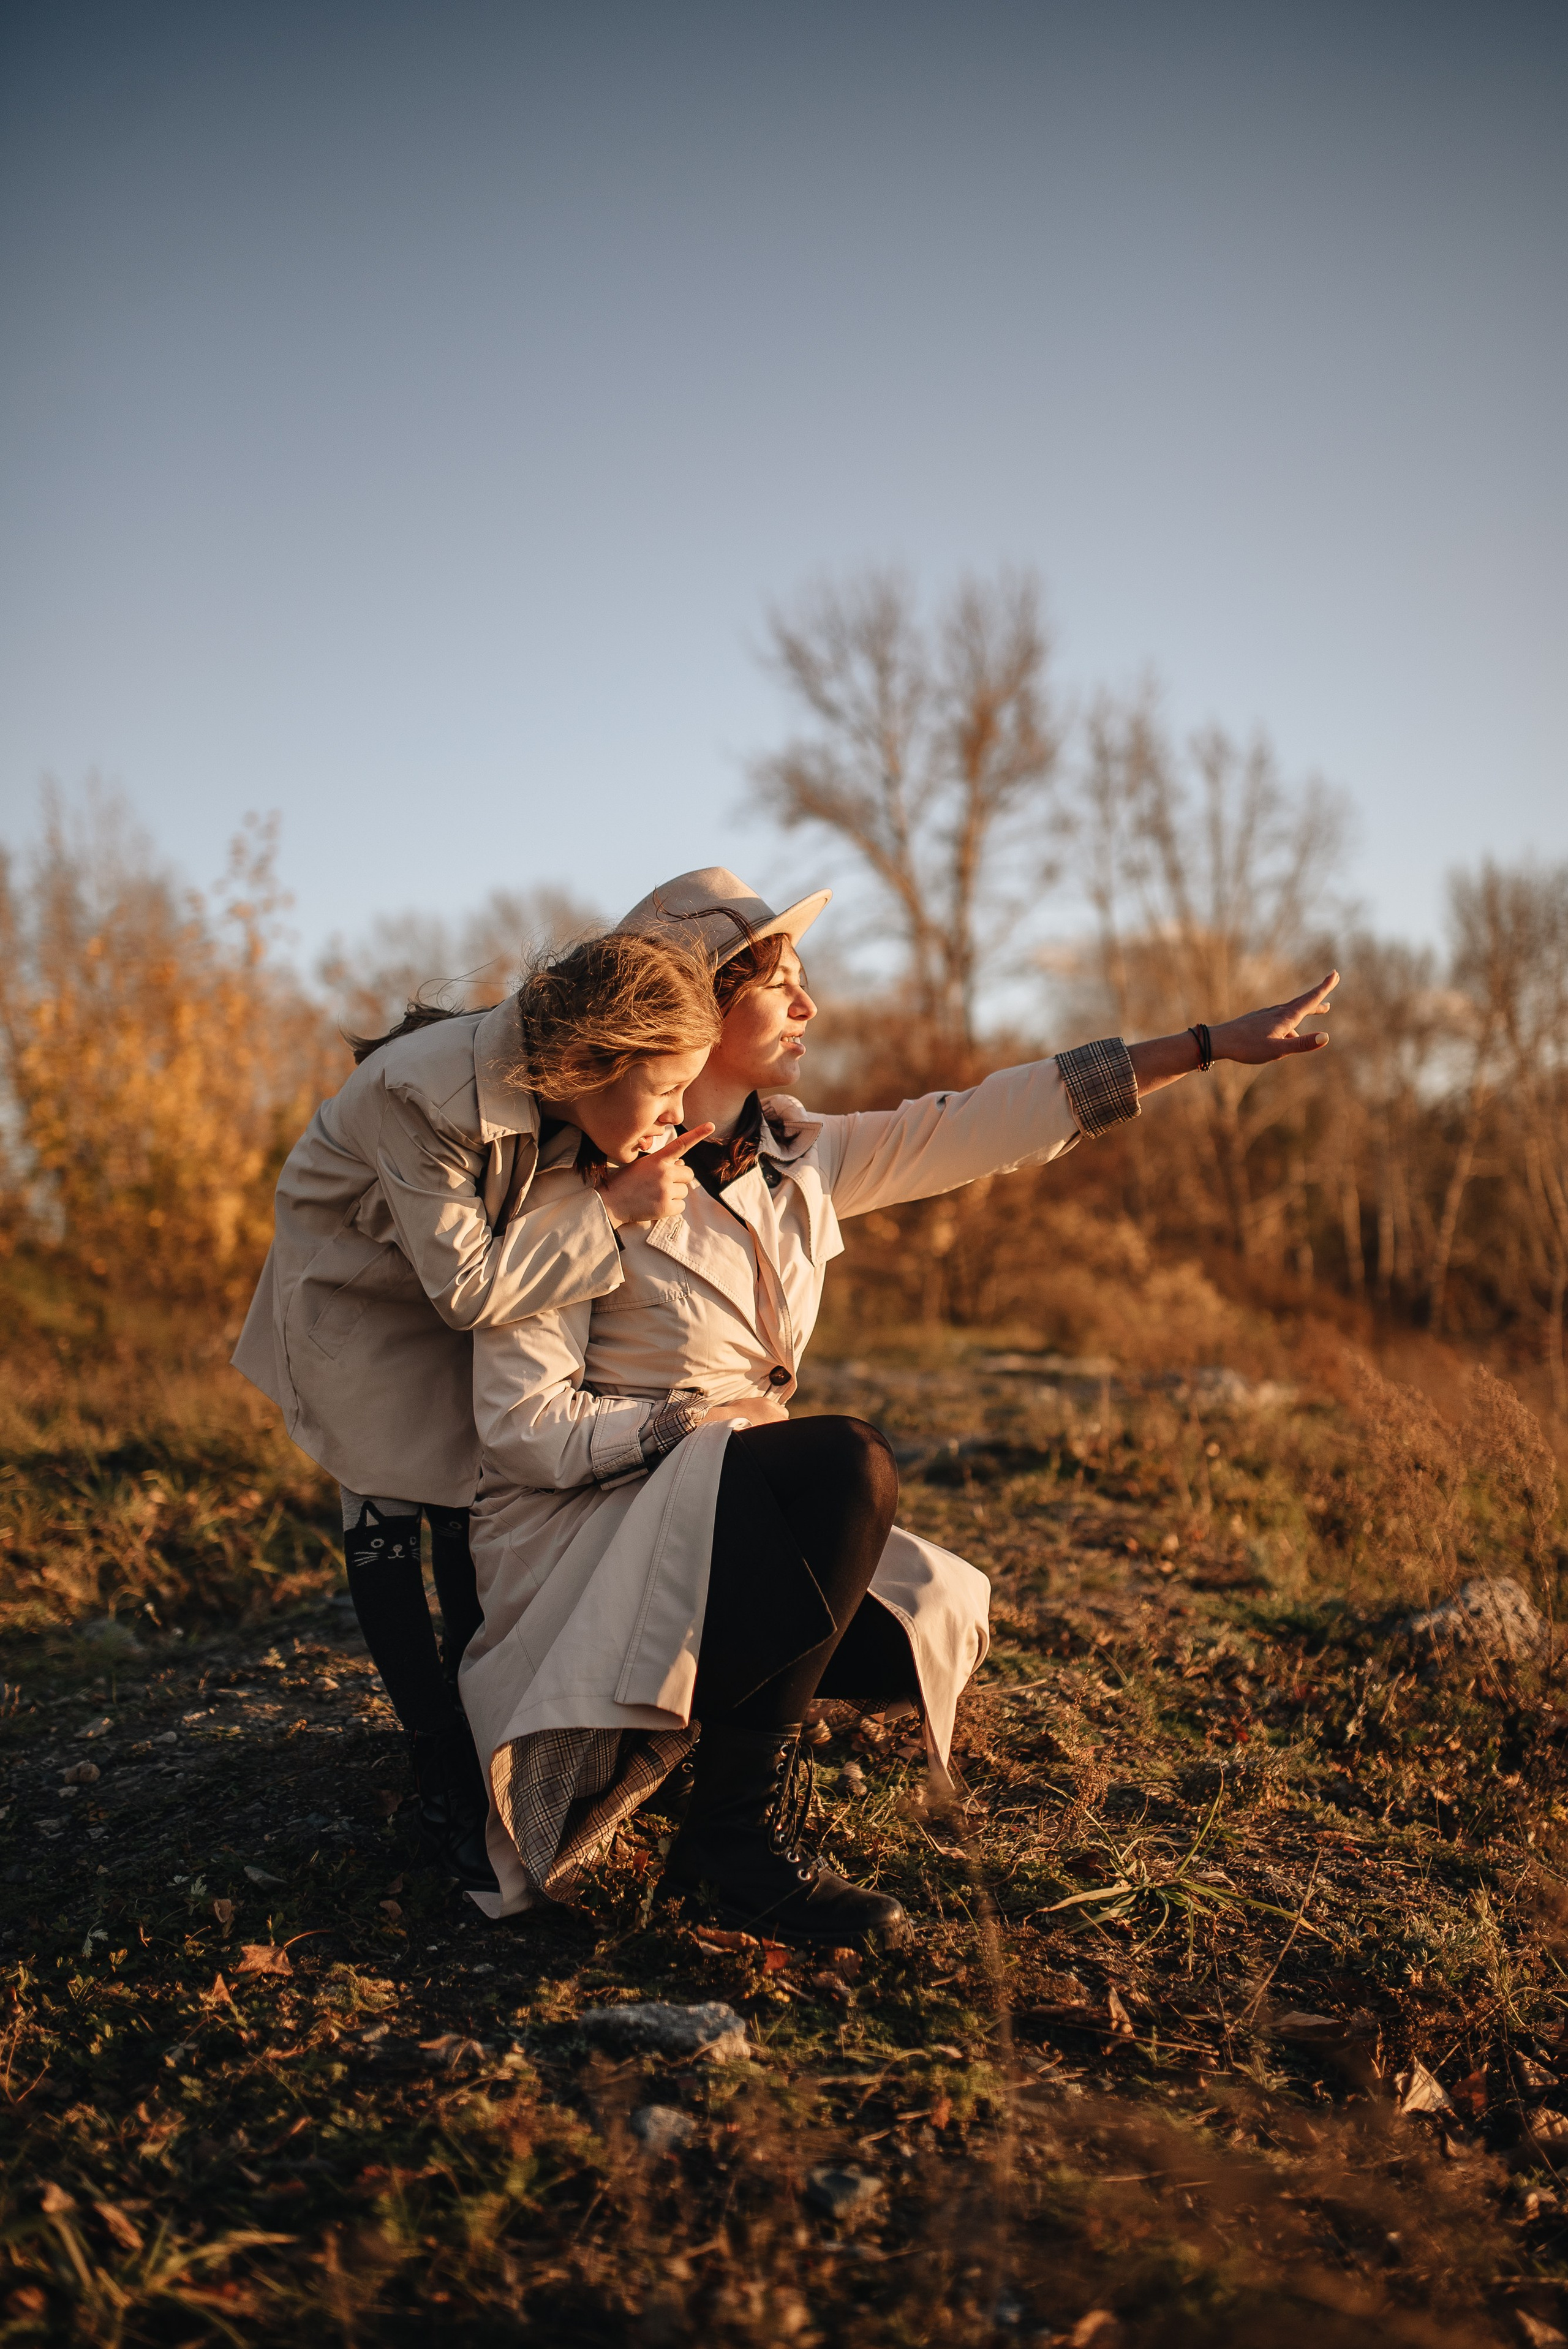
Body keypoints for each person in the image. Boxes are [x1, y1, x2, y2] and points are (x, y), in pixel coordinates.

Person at [458, 867, 1338, 1945]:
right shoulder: (566, 1187)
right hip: (593, 1539)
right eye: (783, 984)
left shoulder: (801, 1158)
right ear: (704, 1004)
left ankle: (698, 1752)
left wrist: (1202, 1046)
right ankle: (733, 1844)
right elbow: (518, 1428)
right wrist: (687, 1430)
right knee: (848, 1468)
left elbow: (987, 1118)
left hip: (716, 1521)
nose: (809, 1009)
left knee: (905, 1634)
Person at [232, 929, 721, 1887]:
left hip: (470, 1276)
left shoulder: (574, 1096)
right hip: (360, 1288)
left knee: (473, 1488)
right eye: (663, 1090)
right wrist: (614, 1210)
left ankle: (489, 1723)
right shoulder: (427, 1094)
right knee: (381, 1495)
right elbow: (462, 1288)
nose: (675, 1111)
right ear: (592, 1059)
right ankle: (436, 1762)